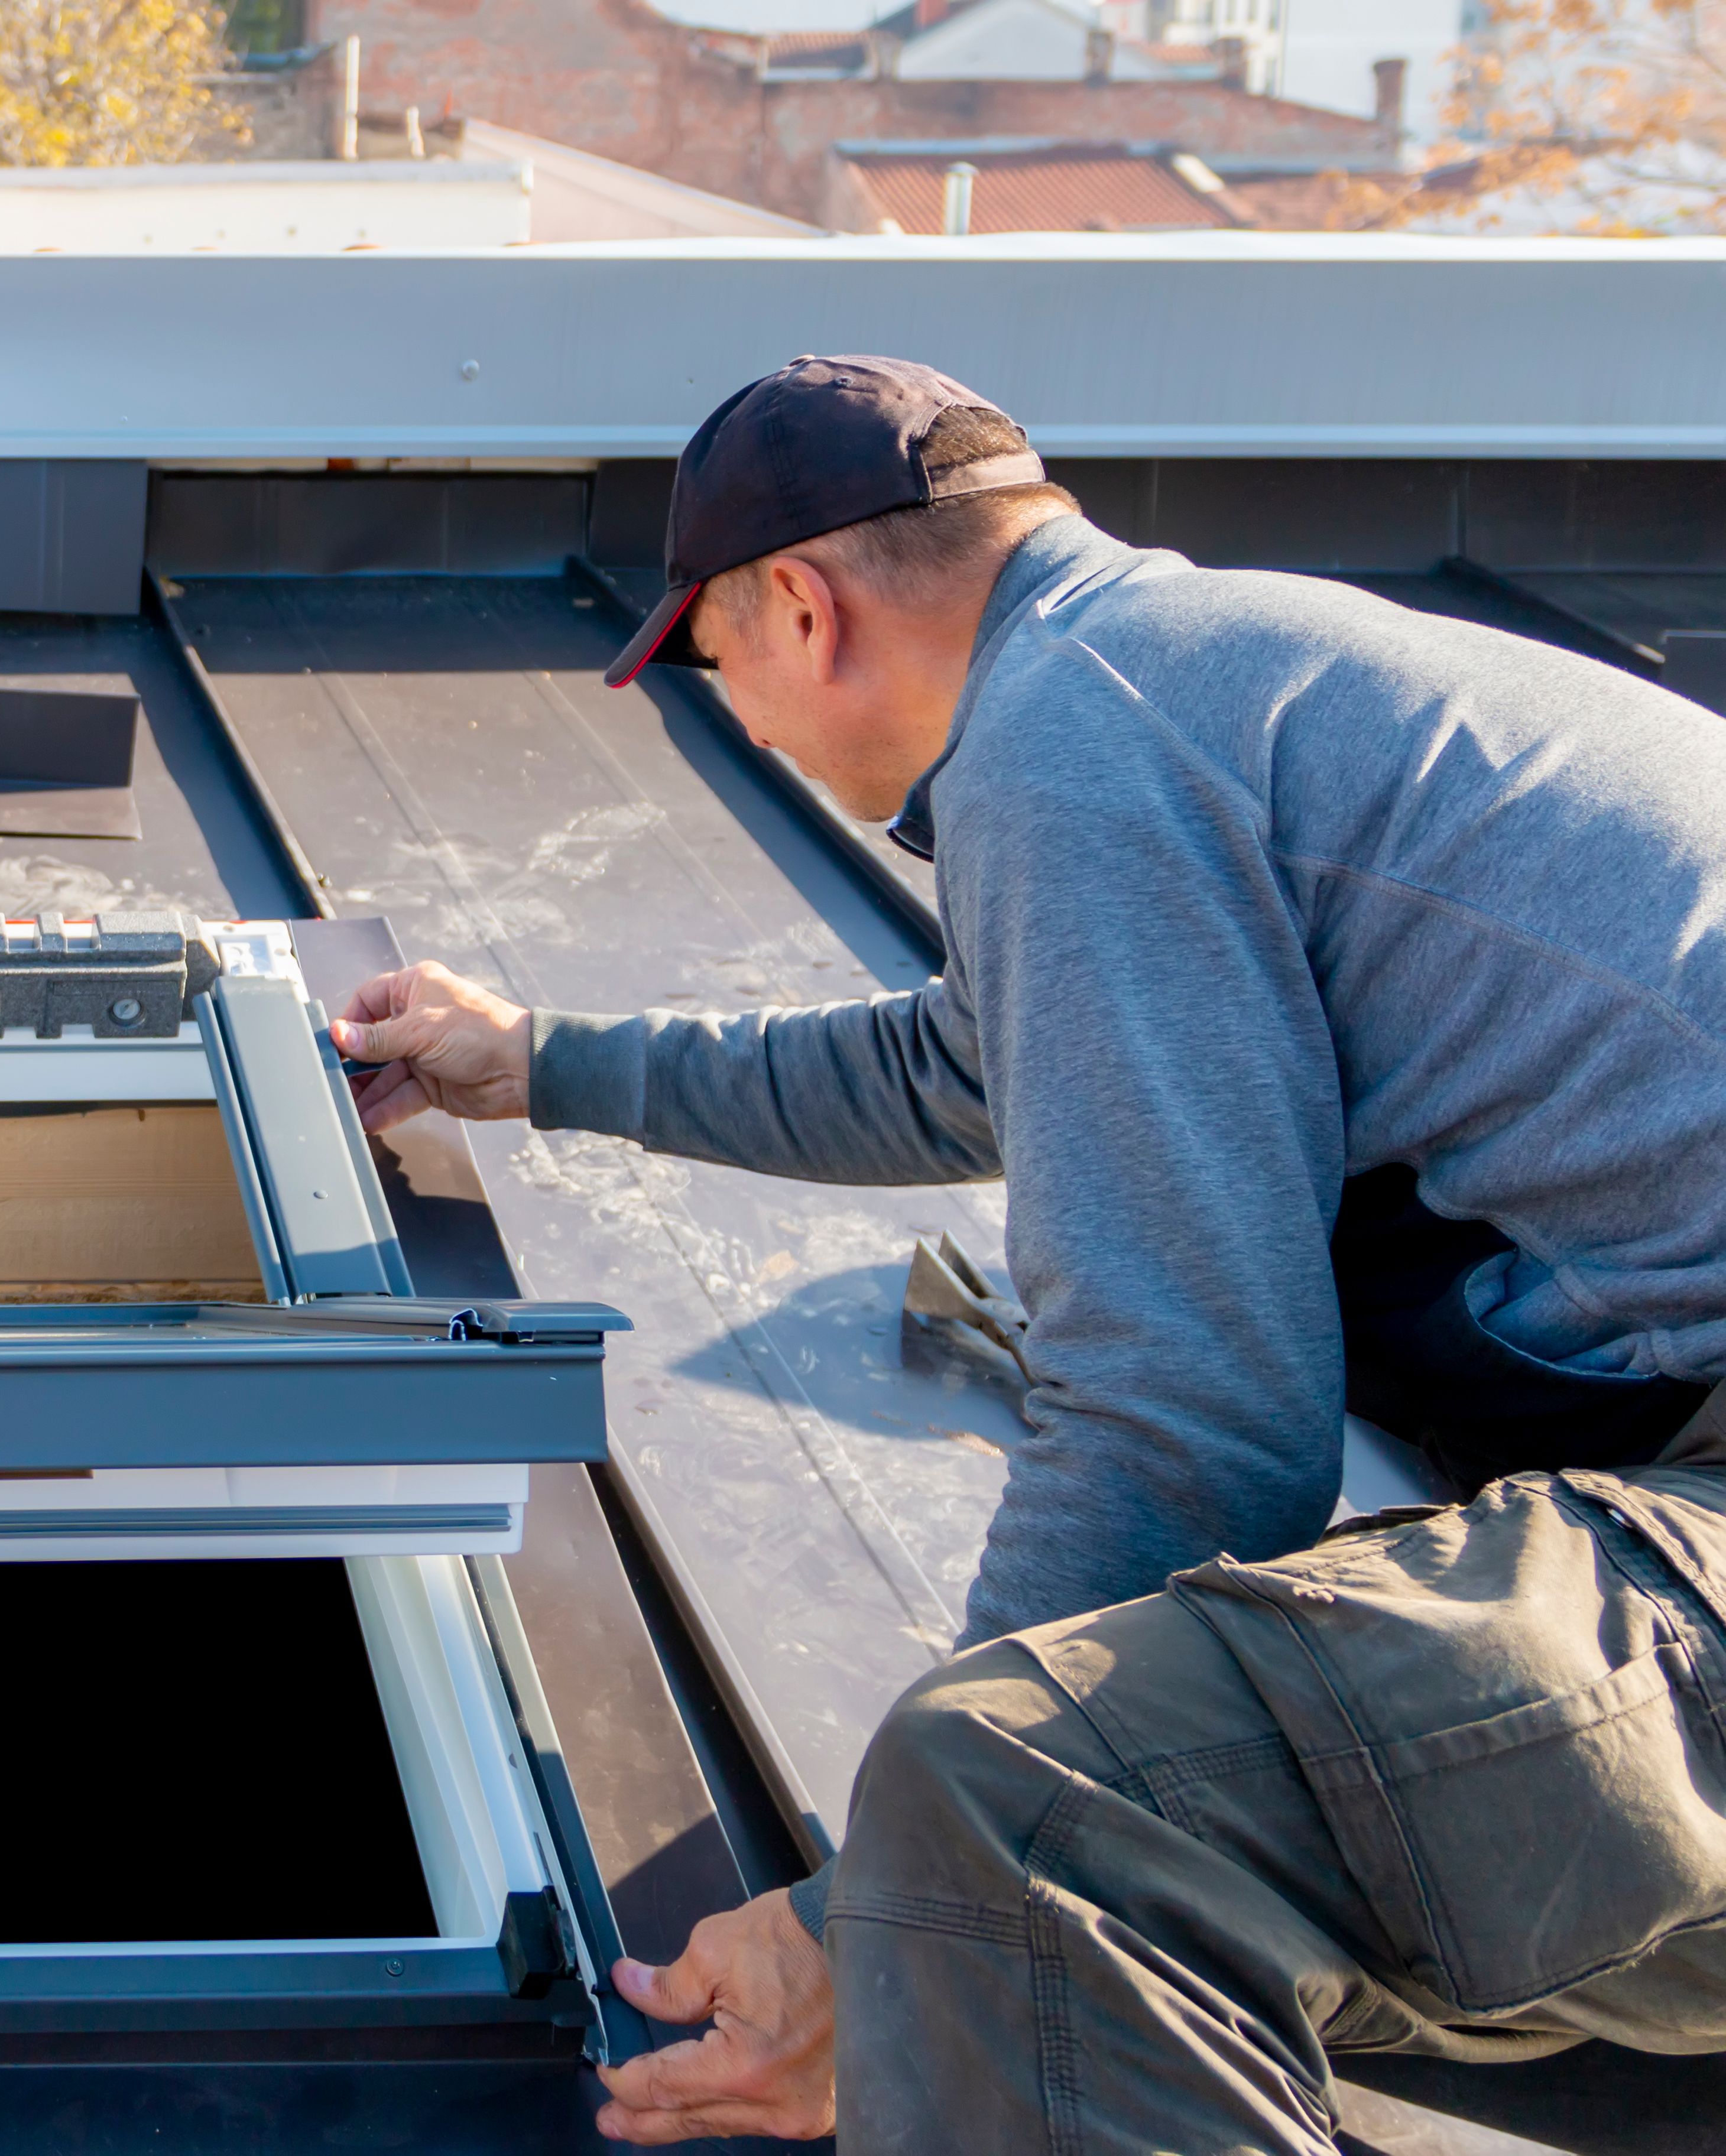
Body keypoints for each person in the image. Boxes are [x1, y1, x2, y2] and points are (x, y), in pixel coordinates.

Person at [329, 355, 1726, 2151]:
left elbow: (1186, 1418)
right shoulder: (1207, 672)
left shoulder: (1077, 750)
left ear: (803, 612)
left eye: (711, 662)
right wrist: (547, 1064)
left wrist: (872, 1926)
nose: (733, 719)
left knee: (1010, 1814)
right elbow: (967, 1065)